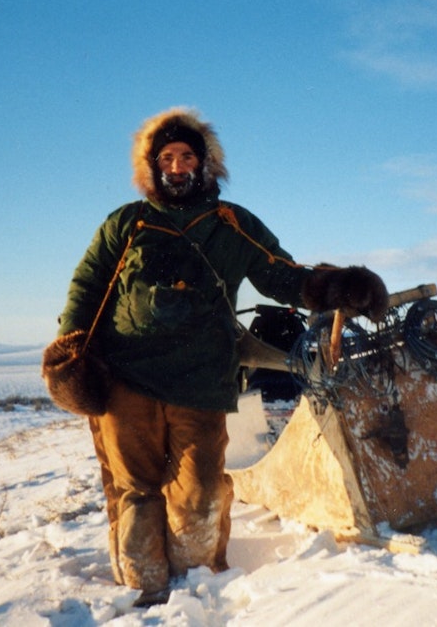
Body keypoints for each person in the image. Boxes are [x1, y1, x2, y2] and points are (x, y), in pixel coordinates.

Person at [43, 107, 388, 606]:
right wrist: (70, 352)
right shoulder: (127, 223)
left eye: (187, 156)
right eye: (167, 158)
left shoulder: (232, 223)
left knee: (200, 497)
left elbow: (282, 275)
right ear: (153, 165)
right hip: (125, 381)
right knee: (136, 497)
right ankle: (142, 594)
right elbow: (87, 288)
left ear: (205, 164)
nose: (178, 166)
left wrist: (338, 287)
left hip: (202, 382)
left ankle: (198, 590)